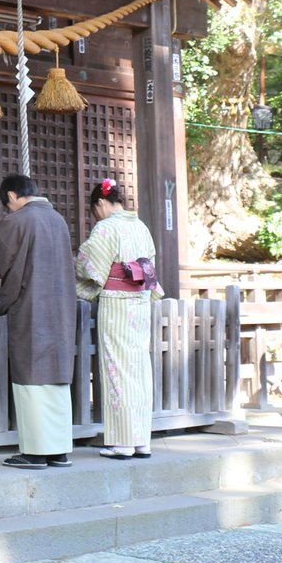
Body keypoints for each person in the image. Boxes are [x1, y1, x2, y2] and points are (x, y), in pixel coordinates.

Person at [0, 173, 78, 469]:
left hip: (31, 306)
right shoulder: (58, 220)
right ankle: (60, 449)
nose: (8, 209)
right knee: (56, 373)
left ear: (13, 196)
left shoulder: (17, 222)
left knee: (31, 376)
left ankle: (36, 452)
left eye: (7, 203)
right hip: (60, 308)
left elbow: (0, 263)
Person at [76, 177, 162, 459]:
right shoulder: (141, 226)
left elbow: (90, 265)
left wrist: (83, 283)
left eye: (94, 210)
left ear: (100, 203)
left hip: (116, 304)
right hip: (140, 302)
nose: (95, 216)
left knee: (116, 368)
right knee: (138, 368)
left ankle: (124, 442)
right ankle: (142, 441)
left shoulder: (106, 228)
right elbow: (148, 265)